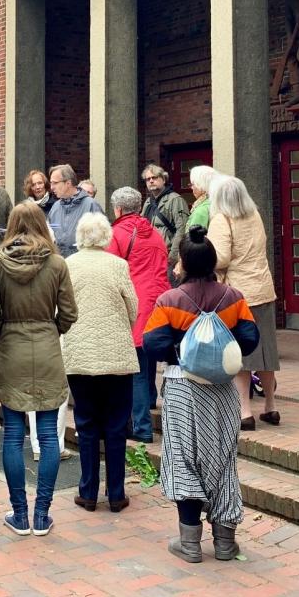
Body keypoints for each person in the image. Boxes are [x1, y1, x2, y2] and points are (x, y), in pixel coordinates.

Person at [144, 225, 259, 563]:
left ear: (183, 263)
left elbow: (152, 344)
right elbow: (250, 339)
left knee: (183, 459)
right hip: (221, 389)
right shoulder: (233, 297)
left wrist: (180, 350)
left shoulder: (170, 300)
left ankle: (190, 542)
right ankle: (225, 542)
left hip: (182, 389)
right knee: (223, 459)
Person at [0, 201, 78, 537]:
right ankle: (42, 514)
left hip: (12, 345)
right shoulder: (56, 263)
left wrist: (0, 333)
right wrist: (51, 327)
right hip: (46, 346)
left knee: (13, 435)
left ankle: (20, 513)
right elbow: (69, 313)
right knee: (48, 435)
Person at [63, 213, 138, 513]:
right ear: (106, 236)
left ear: (80, 236)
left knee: (87, 423)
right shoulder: (118, 265)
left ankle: (88, 491)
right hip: (116, 355)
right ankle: (117, 493)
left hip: (81, 356)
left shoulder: (69, 265)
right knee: (117, 425)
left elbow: (62, 308)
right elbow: (133, 307)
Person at [206, 177, 280, 429]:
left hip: (237, 293)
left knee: (241, 353)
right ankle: (271, 406)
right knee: (266, 350)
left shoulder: (221, 220)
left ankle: (244, 412)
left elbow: (221, 258)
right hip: (263, 288)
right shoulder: (254, 215)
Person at [105, 186, 169, 444]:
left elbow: (110, 272)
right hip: (157, 305)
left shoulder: (118, 233)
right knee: (148, 360)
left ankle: (142, 427)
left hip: (135, 307)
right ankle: (151, 403)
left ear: (118, 209)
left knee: (137, 371)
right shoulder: (154, 233)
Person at [141, 164, 189, 275]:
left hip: (168, 257)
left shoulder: (175, 200)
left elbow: (181, 230)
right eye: (148, 179)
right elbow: (143, 228)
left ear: (163, 179)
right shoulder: (148, 202)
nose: (151, 181)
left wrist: (173, 257)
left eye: (155, 177)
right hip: (151, 257)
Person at [47, 164, 103, 257]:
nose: (52, 187)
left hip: (83, 265)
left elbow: (101, 240)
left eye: (55, 183)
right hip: (60, 265)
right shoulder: (55, 207)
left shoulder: (91, 205)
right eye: (51, 183)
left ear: (68, 183)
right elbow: (51, 232)